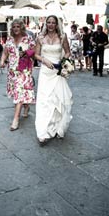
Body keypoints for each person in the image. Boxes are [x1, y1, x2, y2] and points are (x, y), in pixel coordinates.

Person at [33, 15, 73, 145]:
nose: (50, 25)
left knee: (59, 100)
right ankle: (43, 132)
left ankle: (58, 127)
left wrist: (63, 62)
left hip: (57, 72)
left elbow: (67, 52)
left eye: (53, 23)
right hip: (45, 72)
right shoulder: (40, 37)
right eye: (48, 22)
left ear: (56, 25)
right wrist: (44, 60)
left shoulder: (62, 37)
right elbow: (36, 54)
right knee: (44, 102)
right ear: (46, 24)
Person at [0, 18, 36, 131]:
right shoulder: (9, 40)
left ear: (22, 28)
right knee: (18, 93)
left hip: (24, 70)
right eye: (14, 27)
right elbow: (5, 53)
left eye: (18, 27)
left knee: (19, 93)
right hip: (12, 71)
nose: (15, 29)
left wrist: (27, 53)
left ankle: (15, 119)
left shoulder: (28, 39)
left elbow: (35, 52)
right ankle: (26, 106)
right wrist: (2, 61)